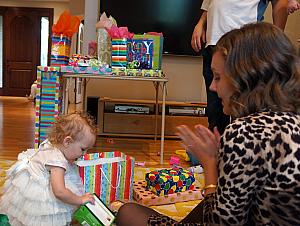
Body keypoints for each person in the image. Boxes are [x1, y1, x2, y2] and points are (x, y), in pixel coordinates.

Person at [116, 22, 300, 225]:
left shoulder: (245, 132)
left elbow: (221, 223)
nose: (212, 86)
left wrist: (210, 165)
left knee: (128, 212)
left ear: (246, 79)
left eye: (218, 77)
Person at [187, 0, 288, 166]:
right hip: (213, 43)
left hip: (240, 46)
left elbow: (281, 3)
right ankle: (216, 158)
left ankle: (239, 159)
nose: (215, 84)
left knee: (242, 107)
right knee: (215, 106)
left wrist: (275, 41)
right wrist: (200, 23)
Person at [0, 113, 97, 226]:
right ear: (67, 142)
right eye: (83, 149)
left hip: (29, 179)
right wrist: (79, 199)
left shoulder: (52, 144)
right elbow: (60, 192)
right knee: (45, 218)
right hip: (38, 194)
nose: (85, 154)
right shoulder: (57, 162)